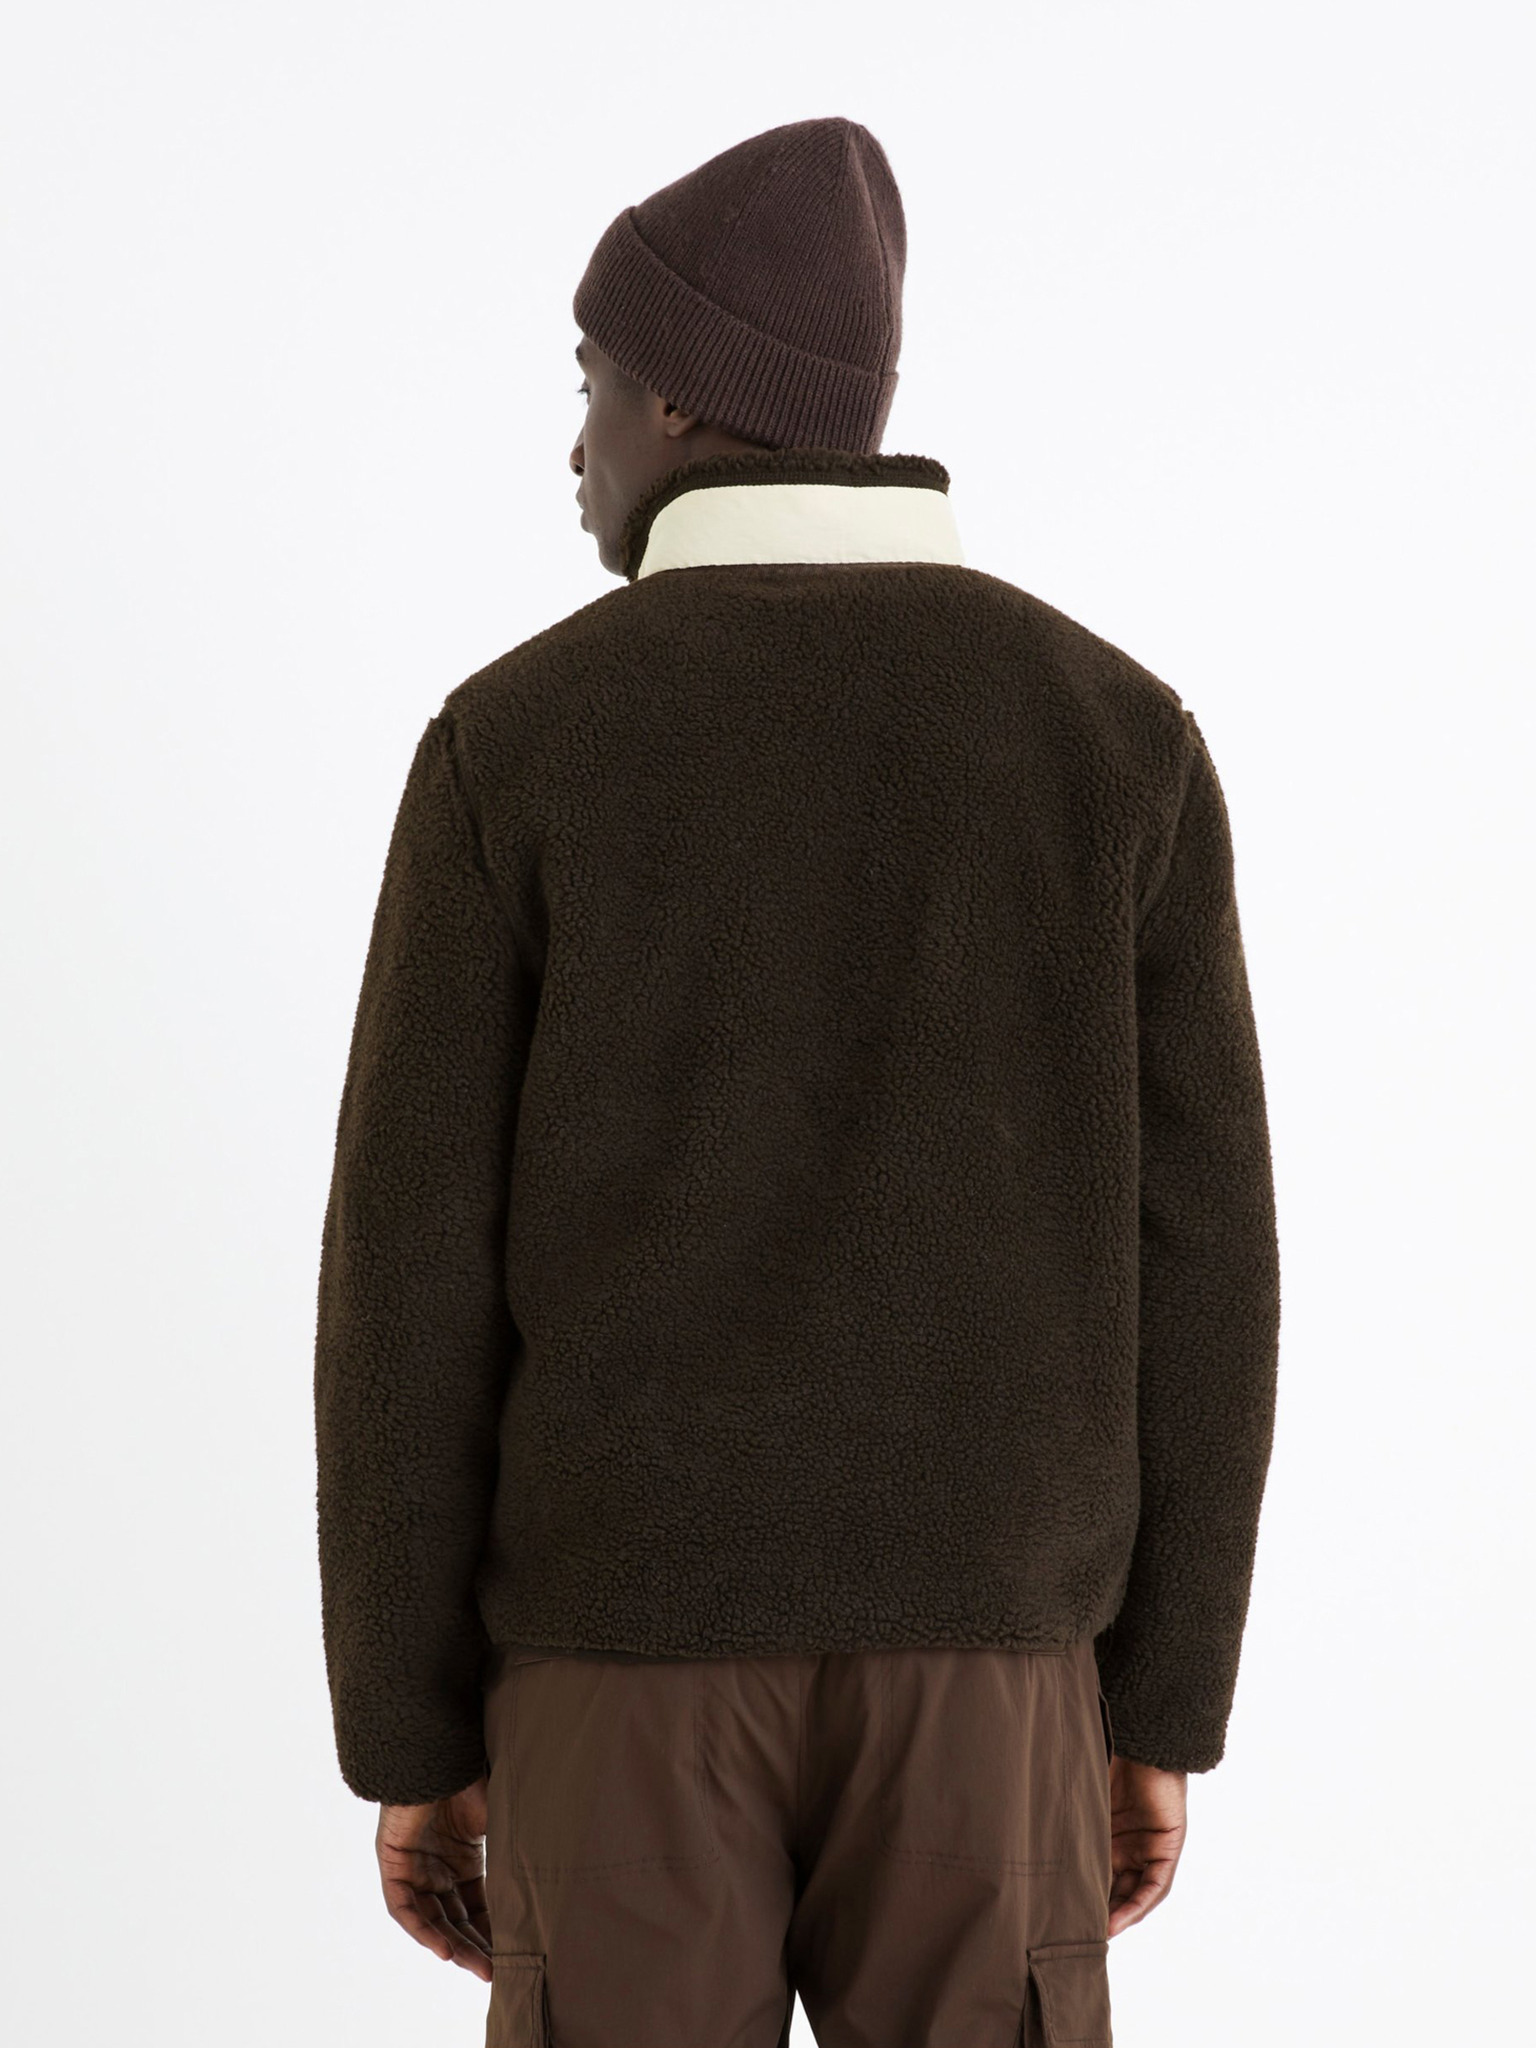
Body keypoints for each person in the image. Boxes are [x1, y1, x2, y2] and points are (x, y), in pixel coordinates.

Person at [313, 115, 1280, 2048]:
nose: (575, 448)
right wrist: (1159, 1702)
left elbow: (405, 1282)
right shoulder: (1113, 739)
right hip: (994, 1672)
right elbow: (1206, 1261)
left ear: (682, 398)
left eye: (591, 387)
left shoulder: (518, 744)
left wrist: (411, 1735)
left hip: (613, 1670)